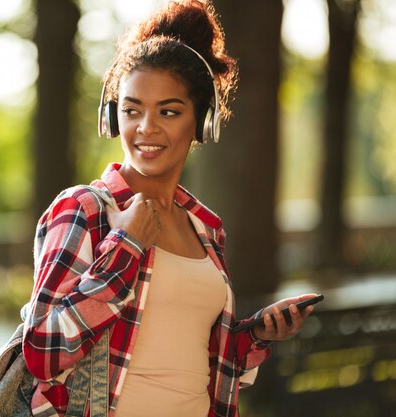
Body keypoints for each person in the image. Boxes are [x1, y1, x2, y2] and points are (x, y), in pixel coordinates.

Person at [22, 1, 316, 416]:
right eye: (132, 110)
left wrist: (257, 336)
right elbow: (42, 351)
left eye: (169, 111)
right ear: (112, 116)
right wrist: (125, 246)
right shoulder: (84, 210)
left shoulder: (205, 228)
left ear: (202, 120)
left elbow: (197, 358)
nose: (146, 128)